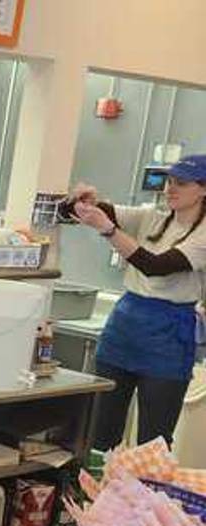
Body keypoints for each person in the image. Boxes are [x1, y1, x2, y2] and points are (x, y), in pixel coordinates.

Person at [64, 157, 206, 450]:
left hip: (168, 335)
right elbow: (85, 212)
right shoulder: (151, 218)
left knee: (153, 439)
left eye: (181, 183)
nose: (171, 189)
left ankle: (145, 494)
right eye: (169, 181)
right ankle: (93, 490)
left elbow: (155, 265)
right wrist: (83, 201)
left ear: (203, 189)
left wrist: (109, 231)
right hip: (125, 324)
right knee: (100, 428)